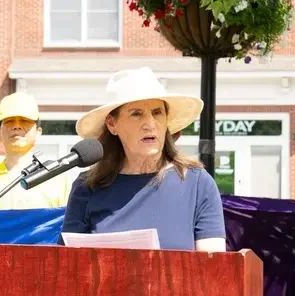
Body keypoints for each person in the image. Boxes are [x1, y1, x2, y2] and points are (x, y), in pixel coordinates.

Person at [57, 67, 226, 251]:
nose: (150, 124)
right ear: (112, 124)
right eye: (136, 114)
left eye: (157, 112)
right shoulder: (86, 187)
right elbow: (67, 267)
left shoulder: (197, 183)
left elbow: (214, 270)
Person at [0, 91, 71, 211]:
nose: (16, 126)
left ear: (38, 132)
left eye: (25, 120)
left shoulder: (58, 181)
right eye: (9, 121)